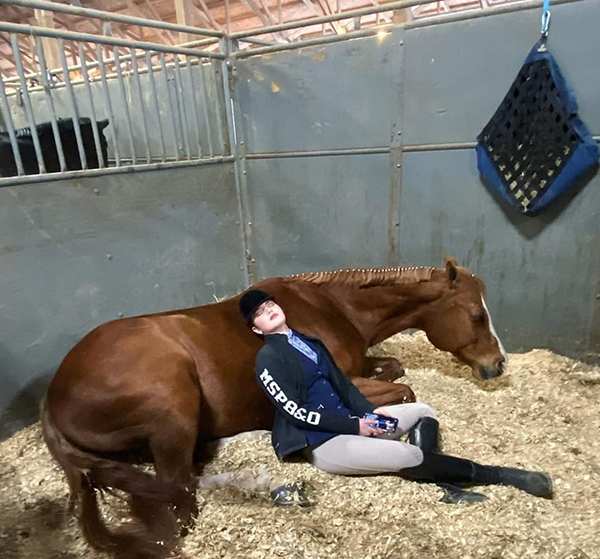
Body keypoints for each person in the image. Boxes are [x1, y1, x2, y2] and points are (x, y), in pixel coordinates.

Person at [239, 289, 552, 504]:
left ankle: (437, 477)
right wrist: (355, 426)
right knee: (409, 456)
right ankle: (500, 476)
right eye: (260, 313)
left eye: (270, 305)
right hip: (324, 441)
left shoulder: (310, 342)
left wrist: (370, 415)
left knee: (423, 410)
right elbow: (295, 412)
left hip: (354, 423)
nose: (269, 311)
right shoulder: (268, 359)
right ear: (256, 328)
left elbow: (346, 386)